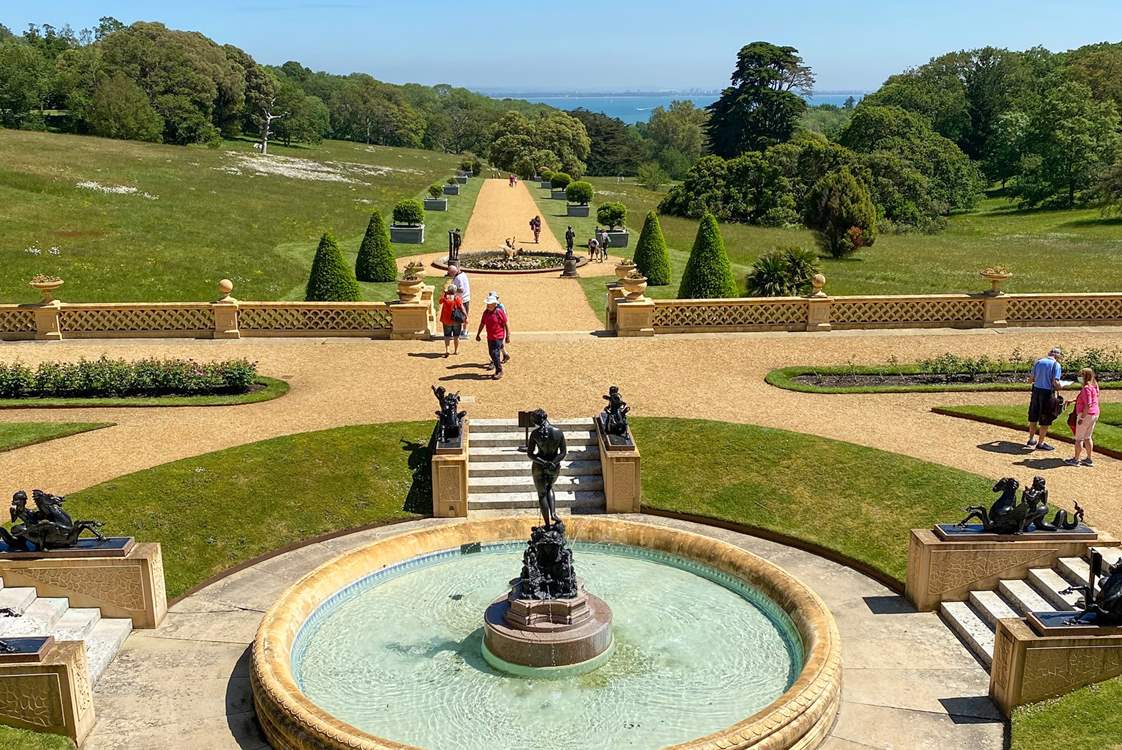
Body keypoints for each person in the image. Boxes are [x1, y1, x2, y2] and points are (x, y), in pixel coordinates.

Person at [1027, 346, 1064, 451]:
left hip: (1036, 391)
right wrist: (1061, 386)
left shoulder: (1038, 362)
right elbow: (1055, 382)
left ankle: (1031, 439)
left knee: (1033, 416)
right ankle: (1041, 443)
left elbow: (1031, 379)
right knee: (1045, 418)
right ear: (1057, 355)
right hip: (1047, 394)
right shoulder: (1056, 365)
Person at [1067, 368, 1100, 467]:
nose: (1079, 377)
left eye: (1081, 375)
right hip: (1094, 414)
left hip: (1086, 415)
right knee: (1087, 437)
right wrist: (1074, 401)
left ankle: (1076, 459)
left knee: (1079, 439)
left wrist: (1082, 418)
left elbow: (1088, 404)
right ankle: (1089, 459)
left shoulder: (1086, 388)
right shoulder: (1094, 386)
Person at [476, 293, 510, 380]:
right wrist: (478, 334)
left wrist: (507, 336)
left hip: (499, 336)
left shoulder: (499, 312)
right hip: (490, 337)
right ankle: (498, 368)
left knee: (495, 353)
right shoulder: (486, 313)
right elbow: (482, 323)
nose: (488, 305)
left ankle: (499, 371)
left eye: (490, 304)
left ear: (494, 304)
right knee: (491, 353)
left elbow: (506, 323)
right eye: (487, 304)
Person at [438, 286, 466, 358]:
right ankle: (456, 351)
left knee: (447, 336)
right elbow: (462, 307)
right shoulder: (457, 298)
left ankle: (447, 350)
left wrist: (443, 293)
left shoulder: (445, 298)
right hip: (456, 320)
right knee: (456, 336)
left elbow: (440, 301)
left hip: (446, 320)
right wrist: (466, 317)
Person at [446, 264, 470, 339]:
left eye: (450, 273)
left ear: (453, 272)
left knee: (462, 316)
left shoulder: (458, 278)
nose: (450, 275)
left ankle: (465, 332)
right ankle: (464, 331)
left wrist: (451, 290)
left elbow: (461, 289)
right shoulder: (463, 274)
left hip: (462, 299)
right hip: (466, 298)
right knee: (464, 314)